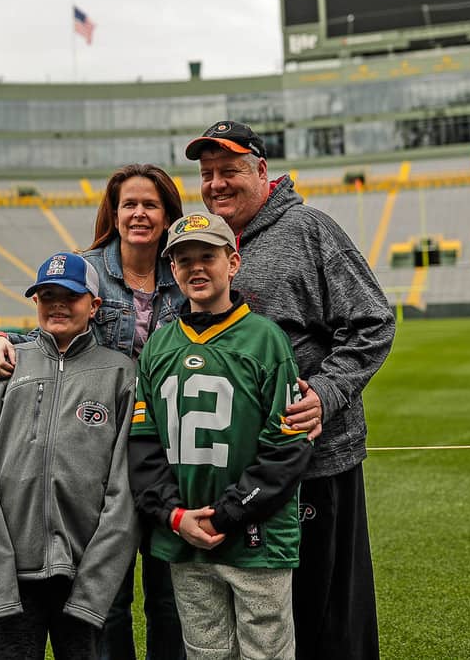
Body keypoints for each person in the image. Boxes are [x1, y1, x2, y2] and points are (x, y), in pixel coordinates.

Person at [184, 120, 395, 660]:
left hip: (318, 462)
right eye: (207, 174)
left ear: (261, 170)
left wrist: (325, 393)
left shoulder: (308, 229)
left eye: (229, 171)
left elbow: (372, 320)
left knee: (328, 614)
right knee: (263, 619)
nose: (216, 184)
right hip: (239, 469)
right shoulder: (203, 244)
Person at [0, 163, 187, 660]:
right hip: (100, 449)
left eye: (151, 204)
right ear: (113, 214)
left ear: (167, 214)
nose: (139, 213)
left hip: (170, 454)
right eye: (129, 204)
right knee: (107, 598)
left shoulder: (182, 269)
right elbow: (53, 329)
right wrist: (1, 339)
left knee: (169, 597)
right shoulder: (89, 267)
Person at [129, 211, 311, 660]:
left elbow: (287, 446)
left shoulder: (266, 339)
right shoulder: (158, 345)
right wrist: (175, 516)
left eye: (207, 256)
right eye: (184, 259)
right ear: (172, 269)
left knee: (266, 652)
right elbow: (142, 445)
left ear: (233, 262)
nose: (195, 268)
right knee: (204, 652)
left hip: (257, 540)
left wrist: (229, 513)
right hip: (186, 541)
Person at [0, 252, 140, 659]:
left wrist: (94, 587)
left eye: (70, 295)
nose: (57, 303)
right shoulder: (6, 367)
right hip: (14, 578)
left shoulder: (120, 373)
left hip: (83, 576)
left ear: (94, 305)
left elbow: (123, 490)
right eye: (47, 294)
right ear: (35, 301)